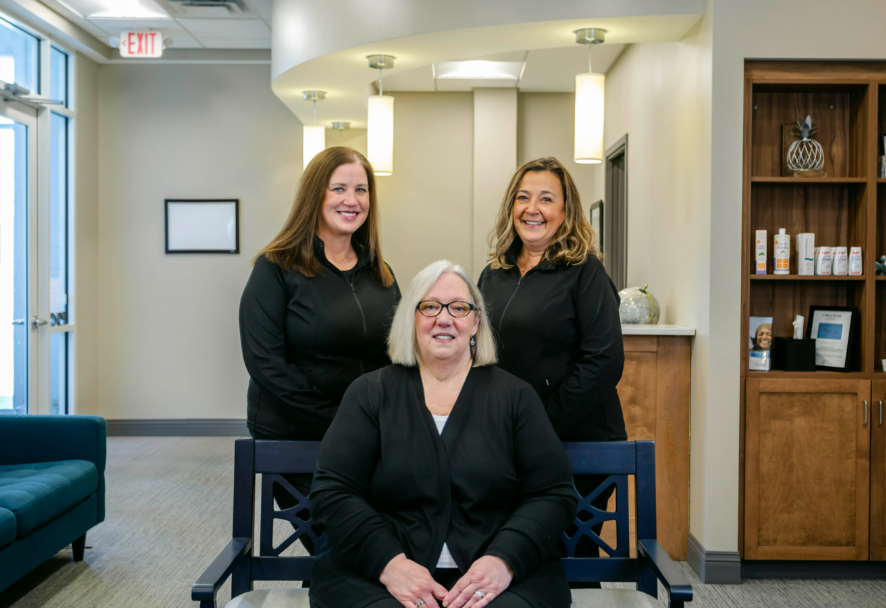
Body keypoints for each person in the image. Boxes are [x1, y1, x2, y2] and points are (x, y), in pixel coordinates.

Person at [309, 260, 577, 608]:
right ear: (412, 317)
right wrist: (391, 565)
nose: (444, 318)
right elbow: (333, 491)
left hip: (498, 577)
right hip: (380, 573)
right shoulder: (370, 393)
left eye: (459, 307)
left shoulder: (516, 397)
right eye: (430, 306)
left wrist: (504, 560)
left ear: (476, 321)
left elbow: (553, 493)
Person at [238, 146, 400, 552]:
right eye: (339, 188)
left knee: (387, 538)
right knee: (340, 542)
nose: (352, 200)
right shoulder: (275, 267)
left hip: (366, 436)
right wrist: (339, 423)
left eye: (361, 190)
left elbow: (395, 353)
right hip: (297, 435)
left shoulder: (380, 271)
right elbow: (265, 363)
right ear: (316, 195)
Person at [477, 157, 625, 584]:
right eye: (523, 198)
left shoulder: (585, 272)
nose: (532, 208)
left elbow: (604, 361)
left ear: (566, 211)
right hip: (511, 446)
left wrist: (541, 424)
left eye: (546, 198)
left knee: (571, 563)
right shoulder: (494, 274)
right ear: (511, 208)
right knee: (514, 561)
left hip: (579, 442)